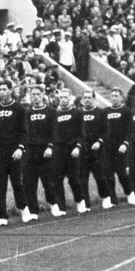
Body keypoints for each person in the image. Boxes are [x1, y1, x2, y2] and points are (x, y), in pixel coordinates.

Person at [0, 81, 25, 227]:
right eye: (0, 89)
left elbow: (24, 131)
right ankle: (1, 215)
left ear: (10, 90)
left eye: (4, 89)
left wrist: (20, 148)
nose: (2, 92)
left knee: (17, 182)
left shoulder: (19, 108)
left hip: (14, 150)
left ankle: (23, 208)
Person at [19, 85, 55, 221]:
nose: (35, 97)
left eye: (37, 94)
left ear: (43, 94)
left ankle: (53, 203)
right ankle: (33, 210)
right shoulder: (27, 113)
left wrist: (50, 146)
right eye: (32, 94)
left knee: (48, 181)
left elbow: (54, 131)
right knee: (29, 182)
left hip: (45, 150)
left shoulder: (50, 111)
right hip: (30, 150)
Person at [50, 88, 85, 216]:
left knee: (73, 179)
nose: (63, 100)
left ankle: (80, 200)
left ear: (70, 98)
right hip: (59, 149)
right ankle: (61, 206)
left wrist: (78, 147)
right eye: (61, 97)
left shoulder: (77, 113)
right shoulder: (55, 114)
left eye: (65, 97)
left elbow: (81, 133)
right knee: (57, 179)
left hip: (72, 149)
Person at [79, 90, 110, 207]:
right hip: (84, 149)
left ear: (93, 99)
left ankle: (105, 197)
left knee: (100, 176)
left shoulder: (100, 112)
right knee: (82, 178)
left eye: (89, 97)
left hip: (97, 149)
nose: (87, 99)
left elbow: (107, 131)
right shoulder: (79, 113)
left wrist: (99, 142)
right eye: (85, 97)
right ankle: (85, 203)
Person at [104, 88, 133, 208]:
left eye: (116, 95)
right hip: (108, 147)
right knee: (108, 174)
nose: (114, 98)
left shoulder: (126, 111)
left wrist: (125, 144)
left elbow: (130, 130)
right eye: (112, 95)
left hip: (121, 147)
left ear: (121, 97)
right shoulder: (105, 111)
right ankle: (113, 199)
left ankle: (130, 194)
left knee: (122, 174)